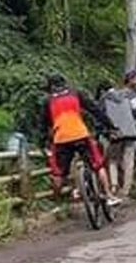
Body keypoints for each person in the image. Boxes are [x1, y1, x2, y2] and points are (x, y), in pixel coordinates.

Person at [41, 74, 121, 207]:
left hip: (61, 139)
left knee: (59, 173)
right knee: (98, 165)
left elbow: (43, 124)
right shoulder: (76, 93)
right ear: (65, 83)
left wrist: (45, 143)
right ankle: (109, 195)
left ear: (50, 87)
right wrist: (111, 126)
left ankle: (57, 204)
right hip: (81, 134)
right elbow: (94, 110)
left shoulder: (48, 101)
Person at [102, 69, 136, 201]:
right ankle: (126, 190)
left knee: (113, 160)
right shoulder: (132, 95)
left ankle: (114, 186)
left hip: (116, 132)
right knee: (129, 162)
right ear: (130, 80)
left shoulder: (114, 95)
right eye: (135, 78)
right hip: (132, 132)